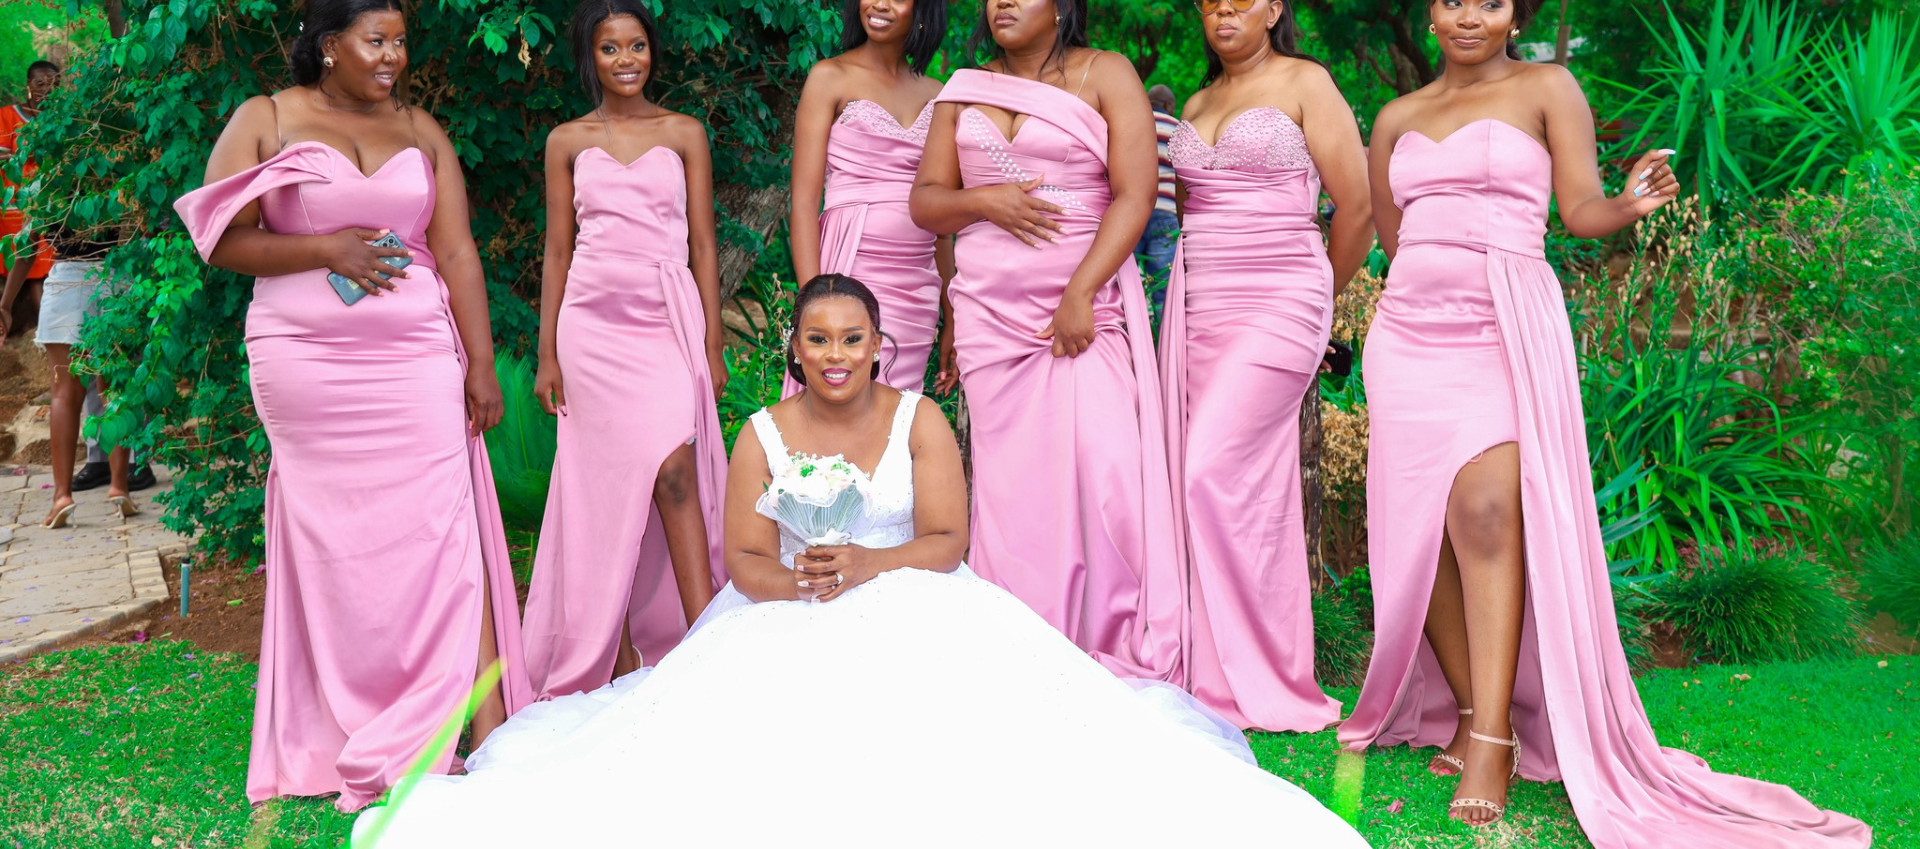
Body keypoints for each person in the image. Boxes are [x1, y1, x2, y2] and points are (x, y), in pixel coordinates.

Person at [349, 275, 1371, 849]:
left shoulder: (920, 419)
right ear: (794, 351)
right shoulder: (762, 430)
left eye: (852, 339)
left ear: (879, 344)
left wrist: (865, 569)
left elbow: (947, 540)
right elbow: (743, 555)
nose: (835, 355)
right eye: (817, 340)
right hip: (783, 611)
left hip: (914, 597)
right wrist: (799, 585)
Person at [1338, 0, 1868, 846]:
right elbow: (1396, 233)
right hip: (1408, 337)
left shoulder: (1547, 89)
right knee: (1419, 530)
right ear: (1431, 12)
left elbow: (1578, 209)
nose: (1470, 17)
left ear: (1517, 15)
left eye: (1490, 3)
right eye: (1455, 1)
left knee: (1488, 514)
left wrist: (1625, 206)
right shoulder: (1396, 116)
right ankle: (1467, 711)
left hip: (1503, 322)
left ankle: (1496, 739)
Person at [172, 0, 527, 811]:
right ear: (329, 45)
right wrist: (325, 248)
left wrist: (479, 363)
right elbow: (219, 241)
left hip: (415, 357)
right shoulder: (266, 117)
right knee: (335, 541)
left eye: (400, 41)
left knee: (442, 532)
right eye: (377, 41)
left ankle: (479, 723)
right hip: (306, 362)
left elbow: (458, 252)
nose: (394, 57)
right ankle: (345, 724)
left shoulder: (420, 128)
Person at [909, 0, 1184, 681]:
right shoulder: (962, 88)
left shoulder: (1106, 73)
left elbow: (1135, 194)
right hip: (990, 314)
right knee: (1015, 492)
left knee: (1106, 470)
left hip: (1080, 311)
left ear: (1059, 2)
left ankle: (1110, 635)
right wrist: (983, 201)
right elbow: (926, 203)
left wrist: (1080, 293)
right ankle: (1025, 646)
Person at [1158, 0, 1373, 732]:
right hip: (1200, 305)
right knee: (1239, 483)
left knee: (1208, 467)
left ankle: (1256, 674)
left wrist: (1317, 293)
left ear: (1275, 10)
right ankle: (1221, 667)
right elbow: (1190, 211)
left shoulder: (1306, 83)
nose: (1224, 10)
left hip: (1282, 295)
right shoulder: (1197, 99)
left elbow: (1358, 207)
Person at [521, 0, 728, 699]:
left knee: (676, 470)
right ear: (591, 57)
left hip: (664, 318)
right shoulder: (567, 141)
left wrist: (712, 342)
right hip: (591, 326)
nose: (625, 59)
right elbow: (557, 249)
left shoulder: (684, 132)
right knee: (603, 491)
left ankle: (705, 641)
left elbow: (704, 244)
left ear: (652, 51)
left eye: (636, 45)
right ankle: (608, 655)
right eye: (610, 48)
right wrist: (548, 354)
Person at [787, 0, 953, 394]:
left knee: (896, 412)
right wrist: (813, 302)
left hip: (917, 282)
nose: (879, 4)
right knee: (838, 400)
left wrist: (951, 312)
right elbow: (803, 202)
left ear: (922, 9)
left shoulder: (938, 92)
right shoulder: (829, 77)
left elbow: (941, 221)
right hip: (850, 264)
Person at [0, 214, 139, 526]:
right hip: (115, 279)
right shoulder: (116, 183)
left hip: (66, 283)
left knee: (64, 395)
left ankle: (61, 496)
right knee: (115, 389)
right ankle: (120, 487)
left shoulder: (50, 188)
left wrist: (5, 305)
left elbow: (26, 250)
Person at [0, 59, 58, 333]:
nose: (47, 89)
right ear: (28, 85)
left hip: (48, 203)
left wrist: (21, 154)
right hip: (15, 206)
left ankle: (44, 335)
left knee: (43, 269)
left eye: (53, 84)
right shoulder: (7, 116)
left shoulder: (61, 119)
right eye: (40, 83)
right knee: (30, 265)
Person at [1134, 83, 1180, 317]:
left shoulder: (1133, 123)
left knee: (1124, 286)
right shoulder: (1178, 130)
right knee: (1163, 288)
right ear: (1170, 105)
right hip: (1166, 212)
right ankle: (1162, 337)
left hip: (1131, 213)